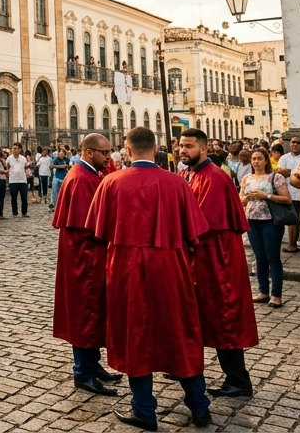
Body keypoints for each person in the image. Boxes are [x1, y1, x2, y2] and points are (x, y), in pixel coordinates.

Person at [87, 127, 211, 430]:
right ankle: (199, 407)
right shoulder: (177, 184)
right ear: (156, 150)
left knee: (135, 336)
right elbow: (196, 234)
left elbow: (98, 233)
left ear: (127, 151)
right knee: (180, 334)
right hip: (171, 269)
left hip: (127, 270)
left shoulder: (110, 183)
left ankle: (144, 409)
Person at [179, 129, 259, 399]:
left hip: (218, 259)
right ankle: (189, 367)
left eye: (188, 146)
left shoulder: (214, 178)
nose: (182, 150)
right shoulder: (189, 174)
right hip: (199, 258)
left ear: (203, 149)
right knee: (197, 315)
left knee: (225, 317)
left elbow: (201, 222)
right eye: (181, 145)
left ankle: (238, 379)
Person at [51, 134, 120, 397]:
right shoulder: (81, 179)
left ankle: (93, 364)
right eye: (104, 153)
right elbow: (89, 224)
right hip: (84, 257)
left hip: (89, 255)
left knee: (94, 311)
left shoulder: (87, 174)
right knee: (85, 313)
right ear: (89, 153)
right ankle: (83, 372)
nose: (108, 157)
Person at [240, 148, 291, 307]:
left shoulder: (276, 177)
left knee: (272, 257)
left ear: (266, 160)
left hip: (271, 221)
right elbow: (240, 199)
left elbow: (287, 199)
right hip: (253, 220)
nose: (256, 161)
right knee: (259, 257)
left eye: (259, 158)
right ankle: (263, 291)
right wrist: (247, 197)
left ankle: (276, 294)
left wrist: (266, 196)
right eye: (253, 159)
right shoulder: (246, 178)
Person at [277, 136, 300, 253]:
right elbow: (280, 173)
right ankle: (292, 244)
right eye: (293, 142)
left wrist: (290, 172)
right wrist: (294, 172)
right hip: (289, 193)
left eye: (298, 143)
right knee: (292, 219)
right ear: (289, 144)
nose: (295, 144)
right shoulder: (284, 158)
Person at [6, 144, 29, 218]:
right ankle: (14, 212)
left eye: (16, 148)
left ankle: (24, 212)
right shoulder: (9, 158)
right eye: (14, 148)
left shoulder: (23, 158)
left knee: (24, 197)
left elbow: (25, 166)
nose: (15, 150)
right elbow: (7, 166)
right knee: (13, 197)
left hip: (22, 180)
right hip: (13, 180)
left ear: (20, 149)